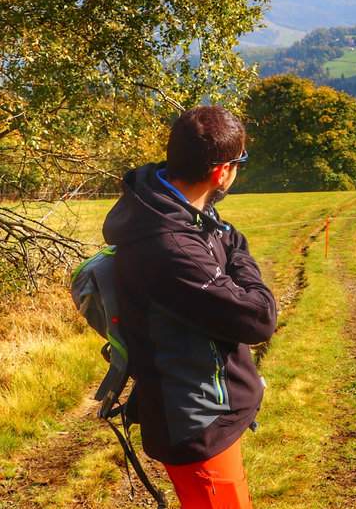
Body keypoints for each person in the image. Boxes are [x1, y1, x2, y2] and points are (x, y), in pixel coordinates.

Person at [102, 106, 276, 509]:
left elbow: (228, 241)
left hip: (203, 408)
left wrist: (232, 247)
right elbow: (258, 318)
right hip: (198, 421)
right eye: (240, 162)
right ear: (221, 172)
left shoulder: (175, 204)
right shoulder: (170, 243)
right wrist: (241, 259)